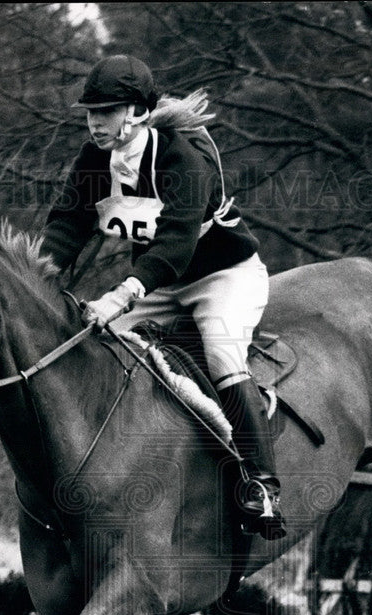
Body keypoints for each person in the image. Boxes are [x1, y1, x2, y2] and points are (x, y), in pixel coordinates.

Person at [41, 54, 286, 540]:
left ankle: (261, 486)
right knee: (97, 348)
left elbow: (175, 244)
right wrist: (39, 274)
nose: (95, 122)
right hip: (163, 282)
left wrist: (123, 293)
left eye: (105, 111)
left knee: (222, 358)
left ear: (136, 113)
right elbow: (67, 225)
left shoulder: (180, 157)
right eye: (90, 112)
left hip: (223, 277)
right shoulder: (95, 160)